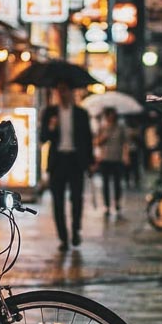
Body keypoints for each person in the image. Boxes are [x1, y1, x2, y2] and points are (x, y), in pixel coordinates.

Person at [39, 81, 93, 250]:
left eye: (65, 90)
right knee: (58, 201)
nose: (62, 94)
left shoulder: (81, 113)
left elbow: (87, 139)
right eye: (59, 90)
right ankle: (63, 237)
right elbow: (43, 137)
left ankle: (76, 230)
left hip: (76, 161)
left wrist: (90, 162)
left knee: (77, 199)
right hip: (57, 161)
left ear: (71, 92)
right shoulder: (50, 112)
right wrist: (51, 126)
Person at [94, 107, 128, 216]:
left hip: (117, 158)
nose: (111, 117)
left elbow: (125, 143)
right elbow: (96, 142)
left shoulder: (120, 127)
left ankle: (117, 203)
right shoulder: (102, 127)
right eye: (109, 115)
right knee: (105, 184)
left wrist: (126, 156)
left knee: (117, 183)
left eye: (113, 115)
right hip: (105, 158)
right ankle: (107, 206)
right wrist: (103, 137)